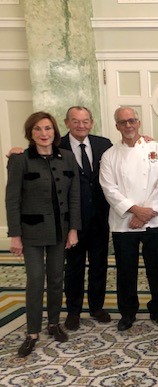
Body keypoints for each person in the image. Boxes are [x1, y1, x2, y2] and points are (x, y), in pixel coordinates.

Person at [6, 112, 81, 357]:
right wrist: (15, 235)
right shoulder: (20, 159)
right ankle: (32, 333)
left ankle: (53, 324)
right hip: (31, 232)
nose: (44, 133)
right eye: (37, 129)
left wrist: (73, 230)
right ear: (31, 133)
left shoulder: (67, 158)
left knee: (57, 279)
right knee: (36, 281)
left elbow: (74, 197)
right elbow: (12, 200)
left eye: (48, 128)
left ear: (55, 131)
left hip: (60, 231)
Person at [99, 106, 158, 332]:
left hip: (155, 221)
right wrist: (135, 210)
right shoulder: (110, 155)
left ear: (138, 122)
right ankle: (128, 312)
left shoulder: (156, 148)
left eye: (132, 121)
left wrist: (146, 213)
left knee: (157, 269)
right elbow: (109, 189)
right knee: (126, 270)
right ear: (117, 126)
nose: (128, 125)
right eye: (123, 122)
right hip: (124, 223)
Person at [58, 107, 113, 330]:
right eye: (75, 121)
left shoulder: (104, 144)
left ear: (91, 122)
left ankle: (96, 307)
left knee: (99, 265)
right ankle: (73, 311)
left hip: (100, 217)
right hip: (72, 220)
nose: (81, 126)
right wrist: (16, 153)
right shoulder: (57, 146)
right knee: (74, 267)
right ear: (67, 123)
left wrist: (144, 140)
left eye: (85, 121)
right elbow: (35, 155)